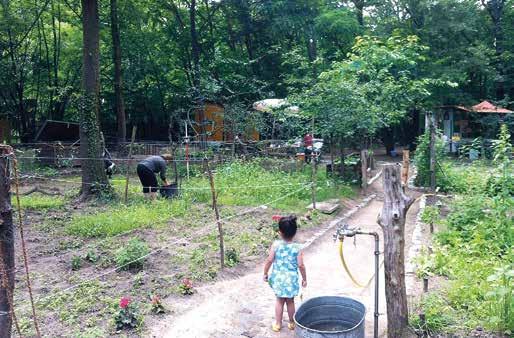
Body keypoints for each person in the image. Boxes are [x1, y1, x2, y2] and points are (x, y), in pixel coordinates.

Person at [263, 215, 307, 332]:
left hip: (278, 279)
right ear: (295, 232)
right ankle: (292, 323)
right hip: (291, 280)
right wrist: (304, 279)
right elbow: (301, 265)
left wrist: (265, 273)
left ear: (280, 232)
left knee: (279, 301)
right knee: (290, 301)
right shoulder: (297, 248)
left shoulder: (276, 245)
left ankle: (278, 324)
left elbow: (269, 260)